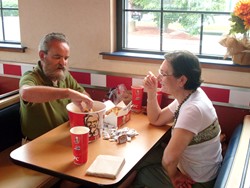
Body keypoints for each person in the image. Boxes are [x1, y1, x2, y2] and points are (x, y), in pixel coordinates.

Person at [132, 50, 223, 188]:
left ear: (181, 80)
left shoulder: (192, 109)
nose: (158, 78)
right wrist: (151, 92)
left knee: (143, 173)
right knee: (139, 159)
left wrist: (174, 176)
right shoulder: (190, 95)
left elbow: (169, 159)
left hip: (198, 181)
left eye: (163, 74)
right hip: (199, 169)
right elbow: (156, 119)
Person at [19, 32, 93, 141]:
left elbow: (83, 95)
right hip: (36, 145)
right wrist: (67, 93)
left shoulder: (64, 75)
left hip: (63, 138)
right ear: (42, 56)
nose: (63, 63)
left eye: (66, 58)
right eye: (57, 57)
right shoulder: (31, 77)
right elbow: (26, 93)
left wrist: (83, 102)